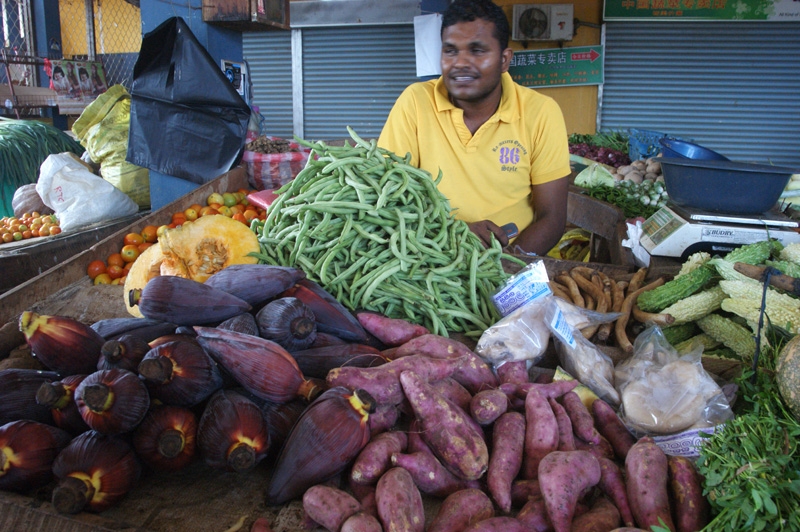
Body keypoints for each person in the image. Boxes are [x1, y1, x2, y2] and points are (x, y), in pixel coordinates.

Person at [378, 0, 571, 256]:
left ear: (504, 60)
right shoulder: (415, 102)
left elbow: (552, 218)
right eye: (450, 51)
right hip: (428, 257)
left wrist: (500, 270)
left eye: (477, 50)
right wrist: (451, 235)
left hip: (515, 260)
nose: (460, 63)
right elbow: (387, 200)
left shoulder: (541, 113)